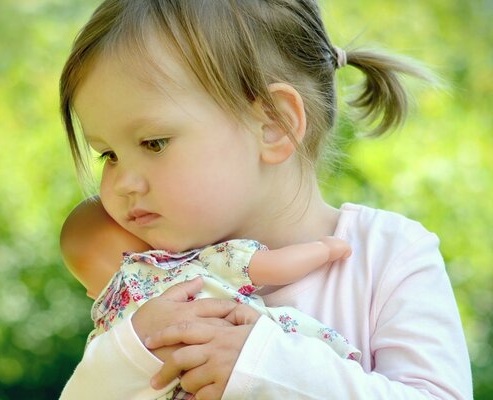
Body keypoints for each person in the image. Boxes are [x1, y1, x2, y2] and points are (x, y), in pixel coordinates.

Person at [58, 0, 473, 399]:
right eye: (108, 154)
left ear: (273, 125)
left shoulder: (387, 256)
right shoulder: (149, 278)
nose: (122, 184)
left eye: (154, 143)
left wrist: (262, 364)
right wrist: (131, 354)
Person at [60, 198, 359, 379]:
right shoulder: (183, 267)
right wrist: (324, 249)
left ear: (91, 293)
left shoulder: (103, 339)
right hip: (250, 364)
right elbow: (274, 266)